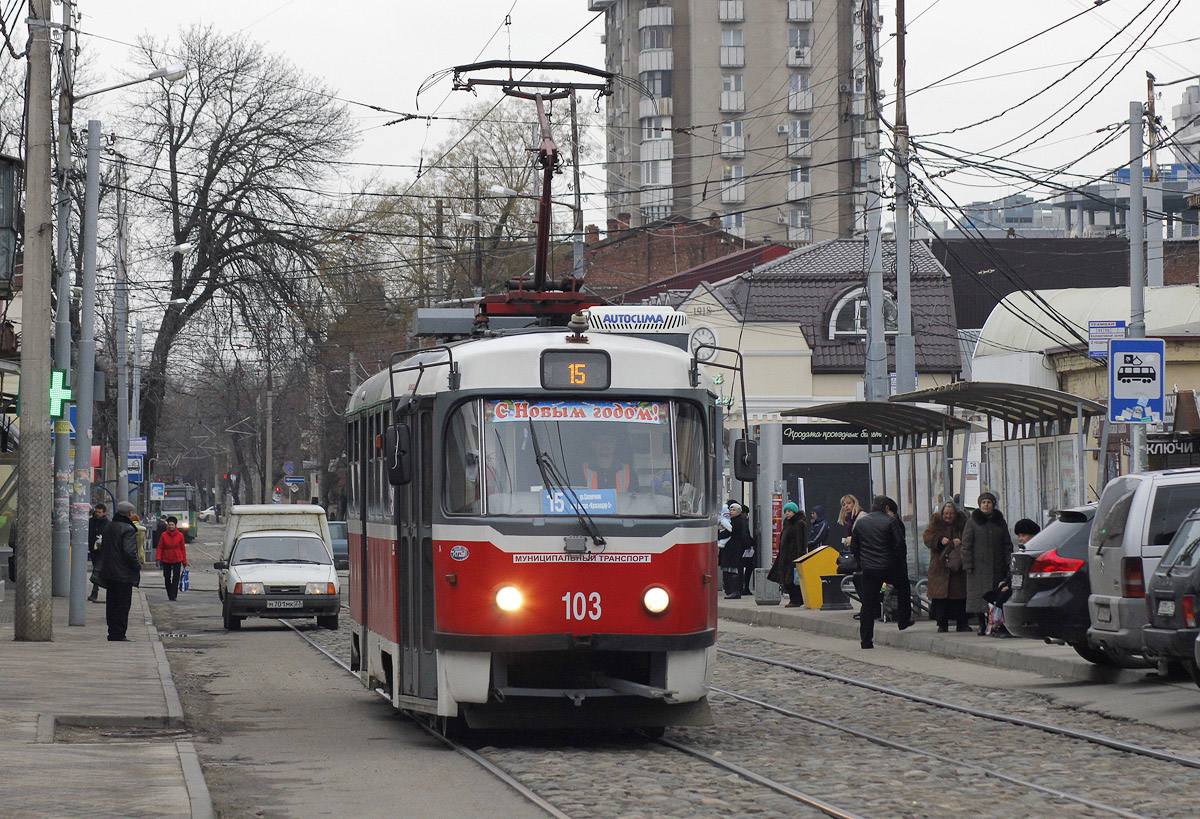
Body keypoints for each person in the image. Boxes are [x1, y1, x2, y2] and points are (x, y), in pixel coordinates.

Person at [850, 496, 913, 648]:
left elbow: (854, 547)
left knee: (868, 604)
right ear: (886, 507)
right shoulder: (890, 521)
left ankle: (866, 640)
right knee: (904, 586)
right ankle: (903, 620)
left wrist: (862, 563)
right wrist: (900, 565)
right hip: (889, 566)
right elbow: (900, 544)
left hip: (870, 569)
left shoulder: (861, 522)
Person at [962, 492, 1015, 636]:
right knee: (979, 596)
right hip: (978, 567)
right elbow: (966, 544)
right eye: (983, 502)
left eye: (989, 502)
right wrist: (967, 564)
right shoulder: (972, 522)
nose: (986, 505)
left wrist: (1008, 562)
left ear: (993, 505)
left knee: (996, 595)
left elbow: (1007, 543)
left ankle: (995, 623)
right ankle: (981, 624)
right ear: (979, 505)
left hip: (997, 566)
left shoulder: (1000, 522)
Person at [922, 502, 970, 633]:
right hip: (939, 566)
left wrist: (959, 540)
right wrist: (939, 539)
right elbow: (927, 537)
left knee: (959, 597)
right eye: (946, 514)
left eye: (951, 514)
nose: (948, 516)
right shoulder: (935, 523)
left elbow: (969, 537)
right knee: (941, 597)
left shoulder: (963, 523)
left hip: (957, 566)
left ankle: (962, 623)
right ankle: (942, 623)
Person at [98, 501, 142, 641]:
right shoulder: (128, 529)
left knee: (111, 603)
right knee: (123, 605)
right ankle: (119, 633)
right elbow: (129, 552)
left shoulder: (109, 526)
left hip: (109, 572)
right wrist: (137, 566)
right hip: (123, 573)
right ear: (129, 514)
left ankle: (112, 632)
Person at [767, 502, 806, 606]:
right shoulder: (787, 523)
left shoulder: (799, 523)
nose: (787, 513)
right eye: (785, 511)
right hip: (784, 556)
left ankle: (796, 600)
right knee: (785, 579)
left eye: (789, 511)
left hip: (793, 556)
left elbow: (801, 542)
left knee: (791, 580)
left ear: (794, 512)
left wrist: (800, 557)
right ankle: (795, 599)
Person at [720, 502, 752, 599]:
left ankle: (735, 591)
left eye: (733, 510)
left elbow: (730, 532)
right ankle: (731, 590)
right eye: (730, 510)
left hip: (734, 548)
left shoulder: (737, 521)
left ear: (738, 511)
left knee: (733, 569)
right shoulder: (735, 520)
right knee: (730, 569)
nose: (731, 512)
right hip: (732, 548)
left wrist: (717, 535)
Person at [155, 516, 188, 601]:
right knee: (167, 577)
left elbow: (182, 549)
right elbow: (160, 547)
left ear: (175, 525)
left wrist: (184, 561)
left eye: (172, 525)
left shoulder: (180, 535)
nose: (171, 526)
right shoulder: (164, 535)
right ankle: (169, 593)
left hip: (177, 558)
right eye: (169, 525)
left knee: (176, 577)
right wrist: (158, 558)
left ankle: (174, 594)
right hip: (166, 559)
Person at [87, 503, 109, 602]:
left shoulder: (107, 523)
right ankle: (96, 590)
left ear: (104, 513)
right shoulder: (91, 521)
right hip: (93, 549)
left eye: (99, 512)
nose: (97, 514)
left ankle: (94, 592)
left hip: (102, 550)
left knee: (97, 570)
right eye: (96, 511)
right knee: (97, 570)